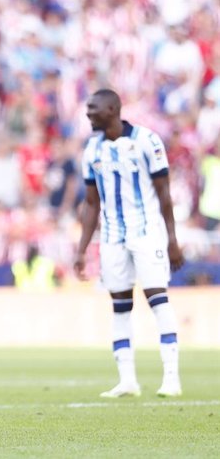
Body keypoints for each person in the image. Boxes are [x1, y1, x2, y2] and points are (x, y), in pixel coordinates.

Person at [74, 88, 185, 398]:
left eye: (93, 108)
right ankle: (127, 380)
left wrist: (172, 240)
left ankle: (172, 378)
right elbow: (91, 203)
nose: (88, 113)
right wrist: (82, 250)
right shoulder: (91, 150)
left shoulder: (146, 141)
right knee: (120, 305)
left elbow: (164, 194)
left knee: (157, 299)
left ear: (112, 109)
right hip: (112, 237)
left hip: (147, 232)